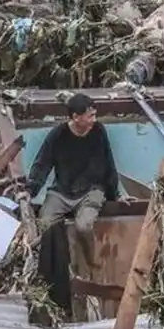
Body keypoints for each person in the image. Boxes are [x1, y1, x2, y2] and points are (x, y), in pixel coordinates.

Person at [22, 93, 122, 273]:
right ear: (76, 117)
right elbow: (42, 163)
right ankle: (57, 266)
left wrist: (116, 195)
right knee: (45, 224)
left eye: (94, 115)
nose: (94, 120)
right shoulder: (58, 135)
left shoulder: (99, 132)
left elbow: (109, 163)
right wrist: (30, 189)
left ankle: (92, 261)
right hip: (62, 191)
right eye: (90, 116)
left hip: (91, 191)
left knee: (83, 226)